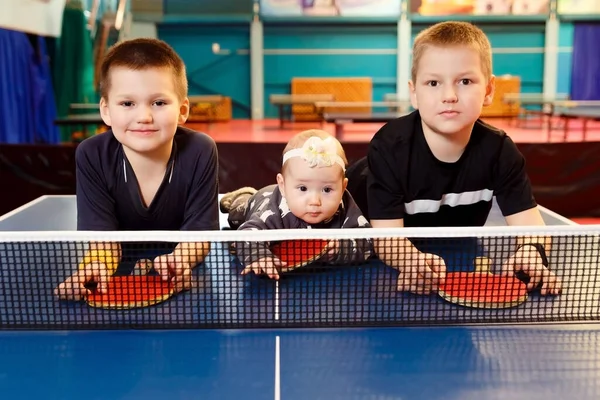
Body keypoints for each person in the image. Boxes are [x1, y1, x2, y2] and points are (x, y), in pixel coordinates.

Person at [346, 21, 561, 296]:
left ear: (489, 90)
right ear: (414, 92)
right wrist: (412, 262)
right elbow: (387, 240)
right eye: (433, 83)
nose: (449, 96)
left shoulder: (500, 151)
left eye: (465, 81)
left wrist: (532, 252)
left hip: (449, 246)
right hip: (342, 224)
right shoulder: (389, 148)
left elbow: (532, 227)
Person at [55, 38, 219, 300]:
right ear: (106, 111)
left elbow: (199, 234)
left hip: (178, 265)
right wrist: (97, 265)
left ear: (183, 110)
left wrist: (179, 260)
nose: (144, 116)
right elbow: (102, 236)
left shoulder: (200, 150)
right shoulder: (92, 155)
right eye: (127, 103)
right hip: (120, 266)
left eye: (159, 103)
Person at [220, 129, 372, 280]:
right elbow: (245, 235)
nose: (315, 201)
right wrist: (258, 256)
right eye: (303, 188)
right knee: (236, 216)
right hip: (260, 200)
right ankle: (242, 197)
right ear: (282, 185)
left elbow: (368, 241)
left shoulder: (346, 207)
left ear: (343, 187)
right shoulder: (273, 213)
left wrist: (342, 249)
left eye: (327, 189)